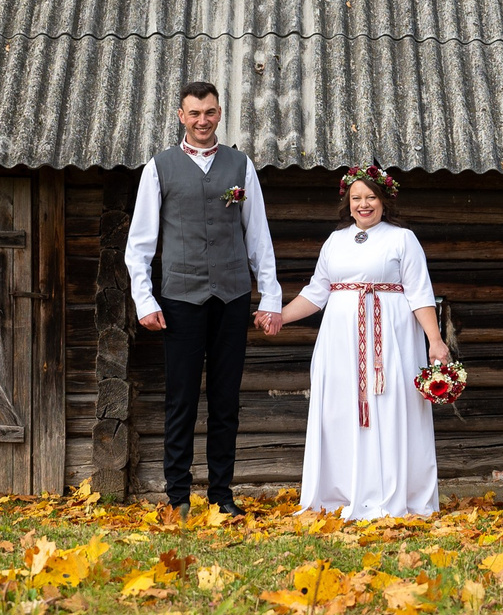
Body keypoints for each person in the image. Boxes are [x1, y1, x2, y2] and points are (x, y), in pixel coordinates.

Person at [124, 81, 282, 515]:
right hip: (180, 299)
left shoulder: (240, 166)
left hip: (231, 296)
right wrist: (146, 300)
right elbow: (139, 244)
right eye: (194, 113)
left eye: (209, 112)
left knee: (226, 399)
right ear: (181, 115)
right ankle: (178, 497)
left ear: (218, 113)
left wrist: (270, 295)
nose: (202, 121)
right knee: (181, 399)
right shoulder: (160, 168)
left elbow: (258, 236)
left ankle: (221, 495)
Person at [278, 166, 448, 520]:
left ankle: (393, 493)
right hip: (341, 342)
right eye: (356, 198)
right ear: (347, 202)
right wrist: (280, 316)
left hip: (391, 340)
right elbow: (316, 292)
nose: (364, 204)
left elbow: (420, 293)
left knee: (389, 405)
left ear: (384, 200)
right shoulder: (335, 240)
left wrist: (435, 340)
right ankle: (342, 492)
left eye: (371, 197)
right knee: (341, 410)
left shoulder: (402, 239)